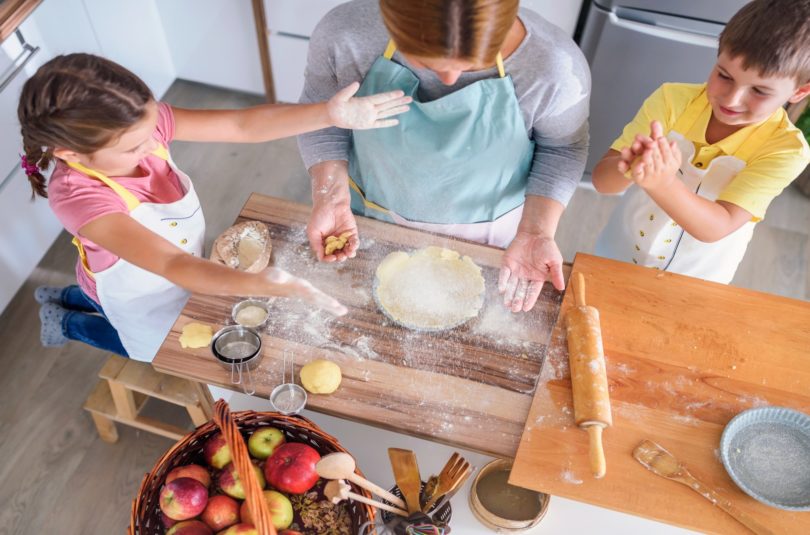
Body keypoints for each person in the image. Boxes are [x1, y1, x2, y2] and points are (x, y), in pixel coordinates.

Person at [20, 53, 411, 361]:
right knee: (154, 349)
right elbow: (173, 265)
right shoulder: (78, 197)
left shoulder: (141, 126)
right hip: (141, 295)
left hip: (183, 268)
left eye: (152, 128)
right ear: (71, 153)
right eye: (133, 148)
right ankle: (68, 322)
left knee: (118, 302)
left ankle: (69, 295)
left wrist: (327, 114)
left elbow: (243, 126)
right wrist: (260, 283)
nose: (152, 145)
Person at [298, 0, 590, 312]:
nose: (449, 77)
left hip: (493, 241)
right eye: (425, 59)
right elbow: (323, 118)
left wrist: (536, 230)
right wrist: (330, 198)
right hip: (370, 221)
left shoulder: (553, 69)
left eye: (473, 61)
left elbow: (563, 148)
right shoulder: (346, 36)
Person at [592, 0, 810, 284]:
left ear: (799, 92)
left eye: (759, 90)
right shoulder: (672, 100)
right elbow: (601, 182)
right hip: (617, 255)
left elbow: (716, 226)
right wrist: (630, 166)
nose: (732, 99)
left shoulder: (787, 151)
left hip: (696, 282)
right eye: (724, 75)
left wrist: (663, 183)